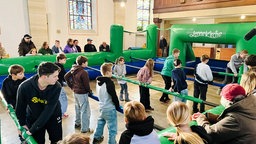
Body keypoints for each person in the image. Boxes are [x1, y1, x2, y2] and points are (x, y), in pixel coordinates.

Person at [16, 62, 62, 144]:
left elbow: (48, 110)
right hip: (34, 116)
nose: (57, 78)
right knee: (37, 141)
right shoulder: (24, 87)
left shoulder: (56, 86)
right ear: (44, 77)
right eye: (55, 76)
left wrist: (33, 129)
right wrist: (22, 124)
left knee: (56, 140)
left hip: (52, 115)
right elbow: (20, 107)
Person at [93, 63, 121, 144]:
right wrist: (117, 105)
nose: (112, 73)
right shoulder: (109, 83)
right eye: (111, 71)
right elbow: (114, 96)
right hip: (109, 108)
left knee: (100, 122)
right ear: (108, 72)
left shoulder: (98, 81)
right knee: (112, 129)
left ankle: (96, 137)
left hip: (102, 107)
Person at [64, 56, 93, 133]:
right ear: (83, 63)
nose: (87, 63)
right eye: (86, 62)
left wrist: (72, 86)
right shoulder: (83, 72)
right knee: (85, 111)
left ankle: (77, 123)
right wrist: (89, 91)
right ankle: (85, 129)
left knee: (78, 108)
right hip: (82, 93)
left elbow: (66, 77)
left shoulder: (73, 69)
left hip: (76, 92)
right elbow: (86, 85)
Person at [55, 53, 69, 118]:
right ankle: (62, 113)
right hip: (58, 85)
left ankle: (57, 112)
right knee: (63, 99)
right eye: (64, 60)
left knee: (56, 99)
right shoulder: (60, 66)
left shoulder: (53, 64)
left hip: (54, 85)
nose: (65, 61)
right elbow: (64, 76)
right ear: (60, 60)